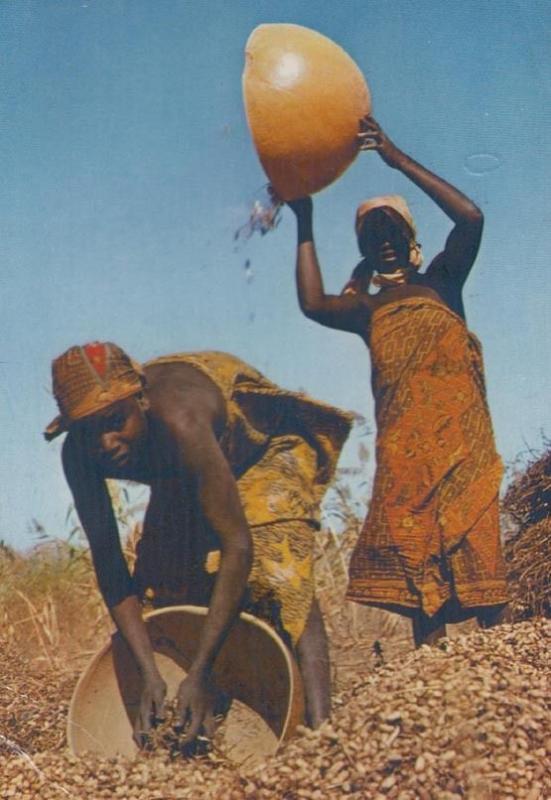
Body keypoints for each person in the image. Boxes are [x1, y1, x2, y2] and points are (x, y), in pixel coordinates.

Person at [45, 343, 352, 741]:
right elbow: (110, 566)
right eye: (88, 433)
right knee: (163, 588)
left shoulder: (181, 420)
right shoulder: (79, 456)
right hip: (184, 468)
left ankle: (322, 726)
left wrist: (202, 671)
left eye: (115, 421)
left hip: (258, 447)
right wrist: (148, 672)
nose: (106, 443)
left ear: (142, 401)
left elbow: (237, 546)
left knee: (279, 570)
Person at [287, 115, 509, 647]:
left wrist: (395, 156)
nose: (383, 242)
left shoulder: (442, 284)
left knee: (481, 559)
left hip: (464, 447)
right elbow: (313, 302)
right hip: (407, 457)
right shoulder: (367, 307)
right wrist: (304, 219)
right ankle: (430, 684)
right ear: (365, 248)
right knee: (418, 568)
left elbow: (471, 217)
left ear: (408, 236)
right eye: (372, 235)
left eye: (392, 231)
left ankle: (503, 664)